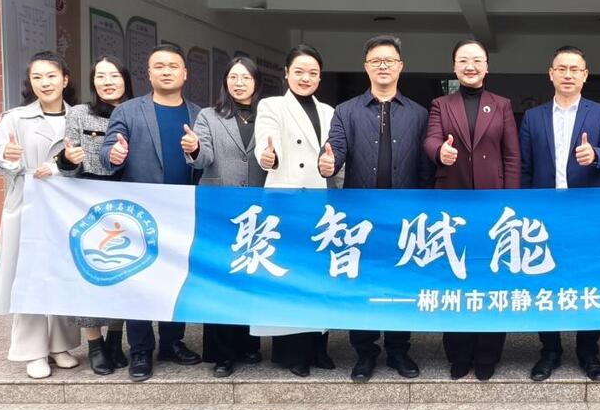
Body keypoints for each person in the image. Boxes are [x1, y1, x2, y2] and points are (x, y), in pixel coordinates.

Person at [321, 35, 433, 383]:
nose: (383, 66)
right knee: (362, 283)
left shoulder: (419, 113)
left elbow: (425, 169)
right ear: (366, 67)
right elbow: (335, 150)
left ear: (400, 66)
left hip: (404, 216)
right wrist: (328, 163)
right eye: (376, 60)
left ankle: (399, 350)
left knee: (400, 282)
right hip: (361, 216)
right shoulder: (346, 111)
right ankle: (365, 352)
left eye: (389, 60)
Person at [100, 43, 203, 382]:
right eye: (159, 66)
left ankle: (172, 342)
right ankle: (141, 349)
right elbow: (107, 151)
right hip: (140, 212)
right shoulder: (128, 111)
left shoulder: (198, 115)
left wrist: (196, 151)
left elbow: (206, 161)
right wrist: (113, 155)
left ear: (185, 73)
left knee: (177, 278)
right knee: (140, 280)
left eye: (173, 66)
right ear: (149, 73)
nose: (166, 71)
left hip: (183, 211)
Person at [519, 45, 600, 382]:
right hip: (545, 214)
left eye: (575, 69)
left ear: (585, 75)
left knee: (587, 282)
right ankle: (550, 350)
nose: (568, 75)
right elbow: (525, 168)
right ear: (551, 74)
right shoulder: (533, 117)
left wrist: (596, 155)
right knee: (546, 282)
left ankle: (589, 351)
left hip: (586, 213)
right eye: (561, 68)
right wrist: (527, 213)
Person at [423, 39, 520, 382]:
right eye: (463, 60)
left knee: (491, 278)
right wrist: (440, 152)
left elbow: (511, 156)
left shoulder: (502, 105)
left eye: (477, 60)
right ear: (454, 66)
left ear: (487, 66)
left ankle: (488, 354)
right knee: (455, 278)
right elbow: (431, 139)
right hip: (453, 205)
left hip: (493, 208)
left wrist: (510, 205)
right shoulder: (440, 104)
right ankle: (458, 353)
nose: (470, 66)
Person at [0, 51, 81, 379]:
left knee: (63, 273)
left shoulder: (78, 116)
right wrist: (7, 156)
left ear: (65, 80)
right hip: (27, 203)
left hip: (67, 206)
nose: (45, 83)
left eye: (51, 76)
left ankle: (60, 345)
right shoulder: (16, 118)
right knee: (28, 275)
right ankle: (32, 350)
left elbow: (88, 159)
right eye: (37, 77)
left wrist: (62, 165)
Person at [253, 43, 338, 377]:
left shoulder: (329, 111)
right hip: (286, 202)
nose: (306, 78)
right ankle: (293, 352)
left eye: (313, 73)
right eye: (299, 71)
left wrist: (333, 166)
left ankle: (319, 346)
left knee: (318, 277)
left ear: (320, 77)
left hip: (319, 203)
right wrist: (268, 156)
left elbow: (333, 153)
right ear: (286, 73)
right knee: (288, 277)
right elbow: (266, 141)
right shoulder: (272, 105)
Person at [183, 56, 266, 378]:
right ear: (225, 82)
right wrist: (193, 148)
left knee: (250, 274)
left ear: (256, 82)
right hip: (218, 207)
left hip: (259, 207)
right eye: (233, 77)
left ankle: (248, 344)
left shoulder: (267, 114)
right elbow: (203, 158)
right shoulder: (209, 115)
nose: (239, 83)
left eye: (246, 77)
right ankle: (222, 353)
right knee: (220, 277)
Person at [58, 54, 134, 375]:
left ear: (125, 80)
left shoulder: (136, 111)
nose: (107, 82)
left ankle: (116, 338)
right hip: (88, 202)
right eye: (100, 76)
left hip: (128, 201)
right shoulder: (79, 113)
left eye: (114, 75)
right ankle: (95, 343)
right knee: (89, 273)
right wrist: (68, 159)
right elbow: (67, 164)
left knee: (124, 272)